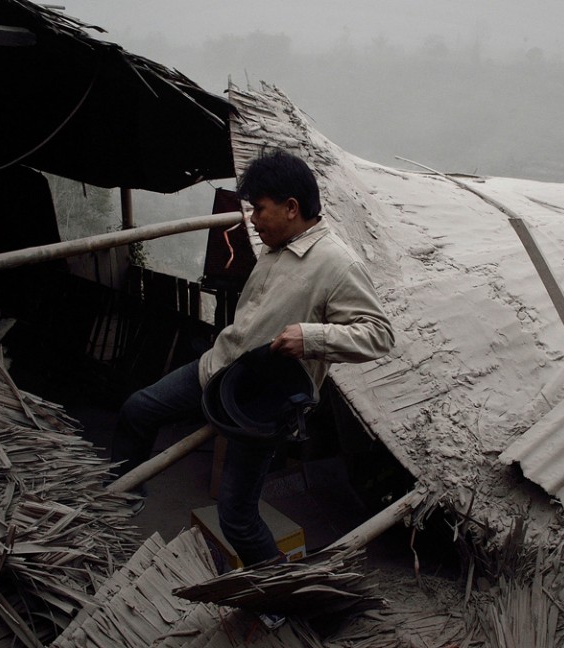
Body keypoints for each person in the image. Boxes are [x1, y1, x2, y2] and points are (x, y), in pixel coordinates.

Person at [112, 149, 395, 567]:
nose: (253, 220)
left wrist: (311, 337)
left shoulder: (337, 265)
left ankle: (280, 600)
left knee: (238, 517)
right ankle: (125, 498)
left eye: (259, 210)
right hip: (218, 368)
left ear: (291, 207)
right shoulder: (276, 244)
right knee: (138, 409)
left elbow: (380, 335)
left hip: (261, 404)